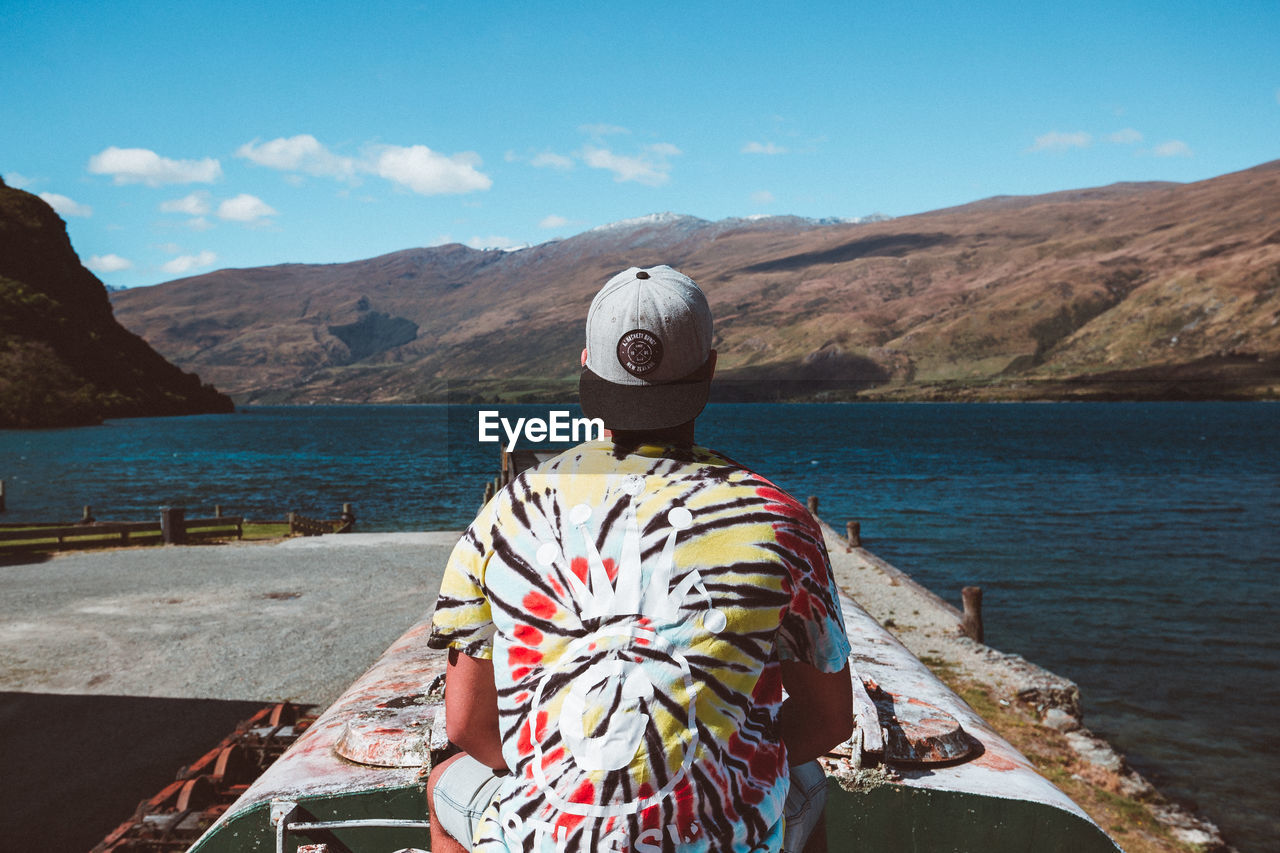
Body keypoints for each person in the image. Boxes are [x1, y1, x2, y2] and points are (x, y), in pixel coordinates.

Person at [426, 265, 853, 853]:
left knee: (443, 783)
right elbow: (830, 722)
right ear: (710, 368)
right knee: (808, 785)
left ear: (586, 366)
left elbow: (468, 728)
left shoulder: (506, 513)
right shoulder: (780, 519)